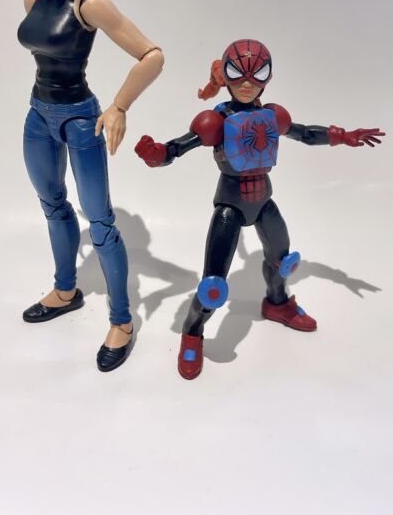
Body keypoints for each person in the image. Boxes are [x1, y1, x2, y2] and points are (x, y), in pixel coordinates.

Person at [135, 38, 384, 380]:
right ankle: (192, 332)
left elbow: (305, 133)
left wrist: (342, 135)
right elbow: (178, 148)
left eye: (258, 74)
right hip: (230, 206)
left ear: (268, 77)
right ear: (226, 75)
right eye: (238, 73)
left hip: (264, 201)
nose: (247, 83)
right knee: (213, 285)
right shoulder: (215, 121)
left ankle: (277, 303)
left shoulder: (273, 116)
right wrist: (158, 154)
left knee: (282, 260)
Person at [17, 0, 163, 371]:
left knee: (99, 223)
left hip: (81, 118)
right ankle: (66, 290)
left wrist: (119, 105)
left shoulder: (90, 3)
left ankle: (122, 320)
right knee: (53, 205)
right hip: (39, 116)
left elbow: (152, 55)